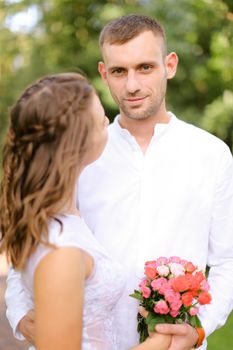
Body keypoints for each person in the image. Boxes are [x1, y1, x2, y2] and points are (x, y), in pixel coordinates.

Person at [5, 14, 233, 350]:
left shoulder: (212, 155)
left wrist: (198, 329)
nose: (132, 86)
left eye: (145, 67)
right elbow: (34, 242)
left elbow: (228, 262)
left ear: (169, 65)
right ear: (104, 74)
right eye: (118, 71)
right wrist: (20, 314)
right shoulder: (80, 154)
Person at [0, 72, 172, 350]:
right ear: (76, 143)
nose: (107, 120)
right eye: (99, 118)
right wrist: (158, 344)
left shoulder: (59, 216)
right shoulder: (61, 249)